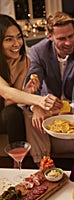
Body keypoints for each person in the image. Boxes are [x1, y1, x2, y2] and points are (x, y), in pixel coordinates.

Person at [23, 11, 74, 170]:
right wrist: (36, 106)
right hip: (49, 104)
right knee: (30, 115)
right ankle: (46, 169)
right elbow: (34, 77)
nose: (68, 42)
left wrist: (72, 108)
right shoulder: (38, 51)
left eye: (71, 36)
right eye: (62, 38)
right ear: (50, 36)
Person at [0, 14, 62, 144]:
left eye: (18, 37)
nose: (16, 44)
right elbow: (6, 93)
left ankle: (18, 160)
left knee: (13, 112)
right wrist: (40, 100)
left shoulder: (23, 61)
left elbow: (9, 101)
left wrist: (26, 93)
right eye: (9, 39)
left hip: (4, 113)